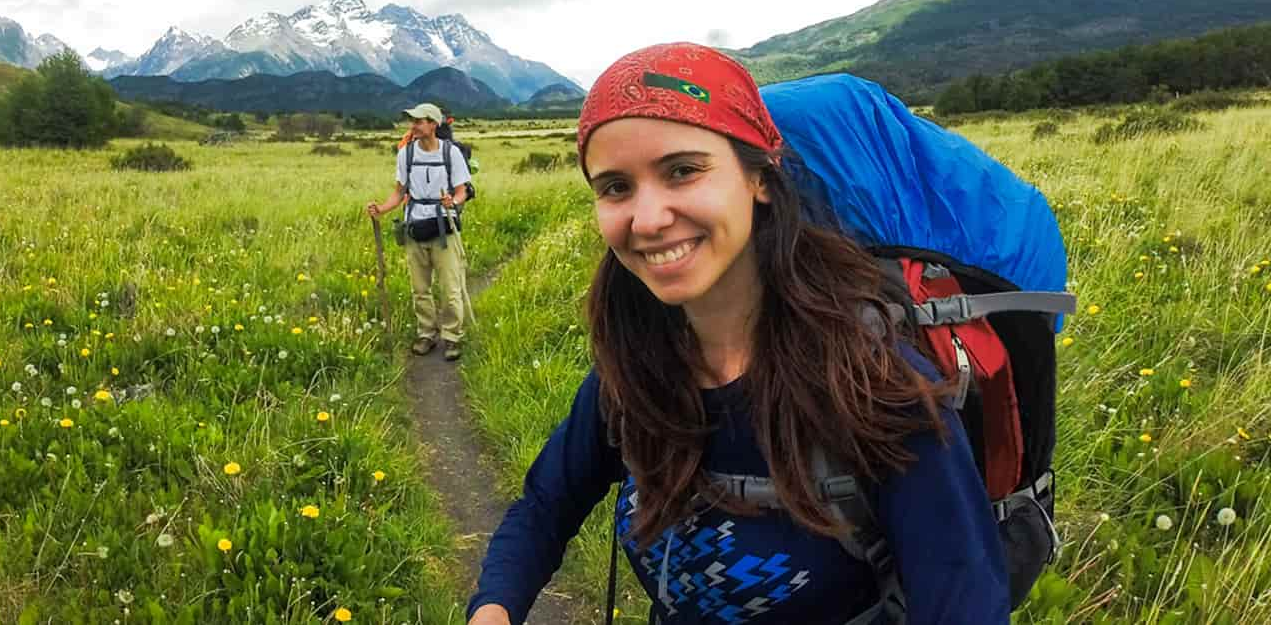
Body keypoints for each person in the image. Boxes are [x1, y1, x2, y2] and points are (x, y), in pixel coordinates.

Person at [466, 44, 1008, 625]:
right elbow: (545, 506)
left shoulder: (876, 386)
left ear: (760, 179)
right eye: (616, 187)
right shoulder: (633, 372)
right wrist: (493, 609)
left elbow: (962, 600)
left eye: (682, 170)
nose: (646, 220)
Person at [366, 102, 471, 361]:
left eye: (419, 121)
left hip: (443, 227)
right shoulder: (406, 154)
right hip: (414, 226)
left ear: (433, 124)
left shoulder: (451, 153)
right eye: (412, 121)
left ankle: (452, 337)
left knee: (451, 287)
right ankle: (426, 334)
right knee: (419, 288)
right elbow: (400, 192)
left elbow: (463, 191)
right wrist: (381, 208)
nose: (413, 125)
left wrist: (453, 203)